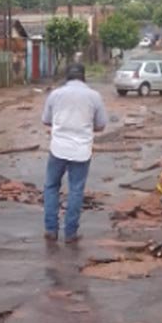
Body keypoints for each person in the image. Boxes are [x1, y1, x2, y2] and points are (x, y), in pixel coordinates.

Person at [42, 62, 108, 243]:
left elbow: (46, 121)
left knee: (51, 187)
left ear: (67, 77)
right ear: (83, 77)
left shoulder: (55, 95)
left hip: (58, 149)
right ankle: (70, 233)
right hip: (81, 151)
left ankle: (51, 230)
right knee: (76, 190)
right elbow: (101, 125)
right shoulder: (94, 96)